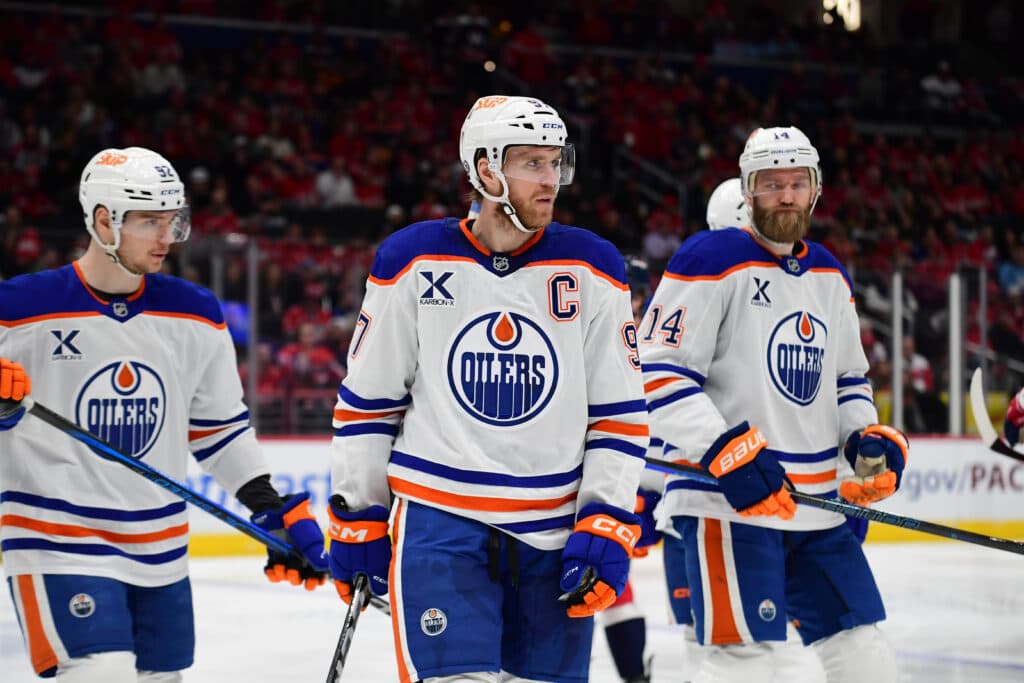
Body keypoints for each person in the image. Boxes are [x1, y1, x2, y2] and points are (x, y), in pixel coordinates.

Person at [326, 95, 648, 683]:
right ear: (484, 169)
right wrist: (359, 511)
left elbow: (620, 415)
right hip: (441, 523)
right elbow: (369, 403)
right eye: (532, 163)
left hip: (554, 534)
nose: (551, 180)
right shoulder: (411, 259)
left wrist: (605, 516)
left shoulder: (595, 267)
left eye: (556, 163)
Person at [0, 147, 328, 682]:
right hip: (56, 544)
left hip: (161, 551)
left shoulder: (193, 312)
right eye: (149, 221)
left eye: (173, 220)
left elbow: (219, 429)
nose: (166, 238)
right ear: (103, 220)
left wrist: (271, 508)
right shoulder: (18, 308)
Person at [640, 127, 905, 682]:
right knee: (742, 663)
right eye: (771, 183)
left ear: (815, 190)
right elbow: (658, 372)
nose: (785, 194)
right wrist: (724, 451)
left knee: (863, 646)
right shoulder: (708, 258)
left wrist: (865, 440)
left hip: (816, 505)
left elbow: (848, 378)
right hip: (725, 503)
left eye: (796, 183)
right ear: (748, 190)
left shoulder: (829, 272)